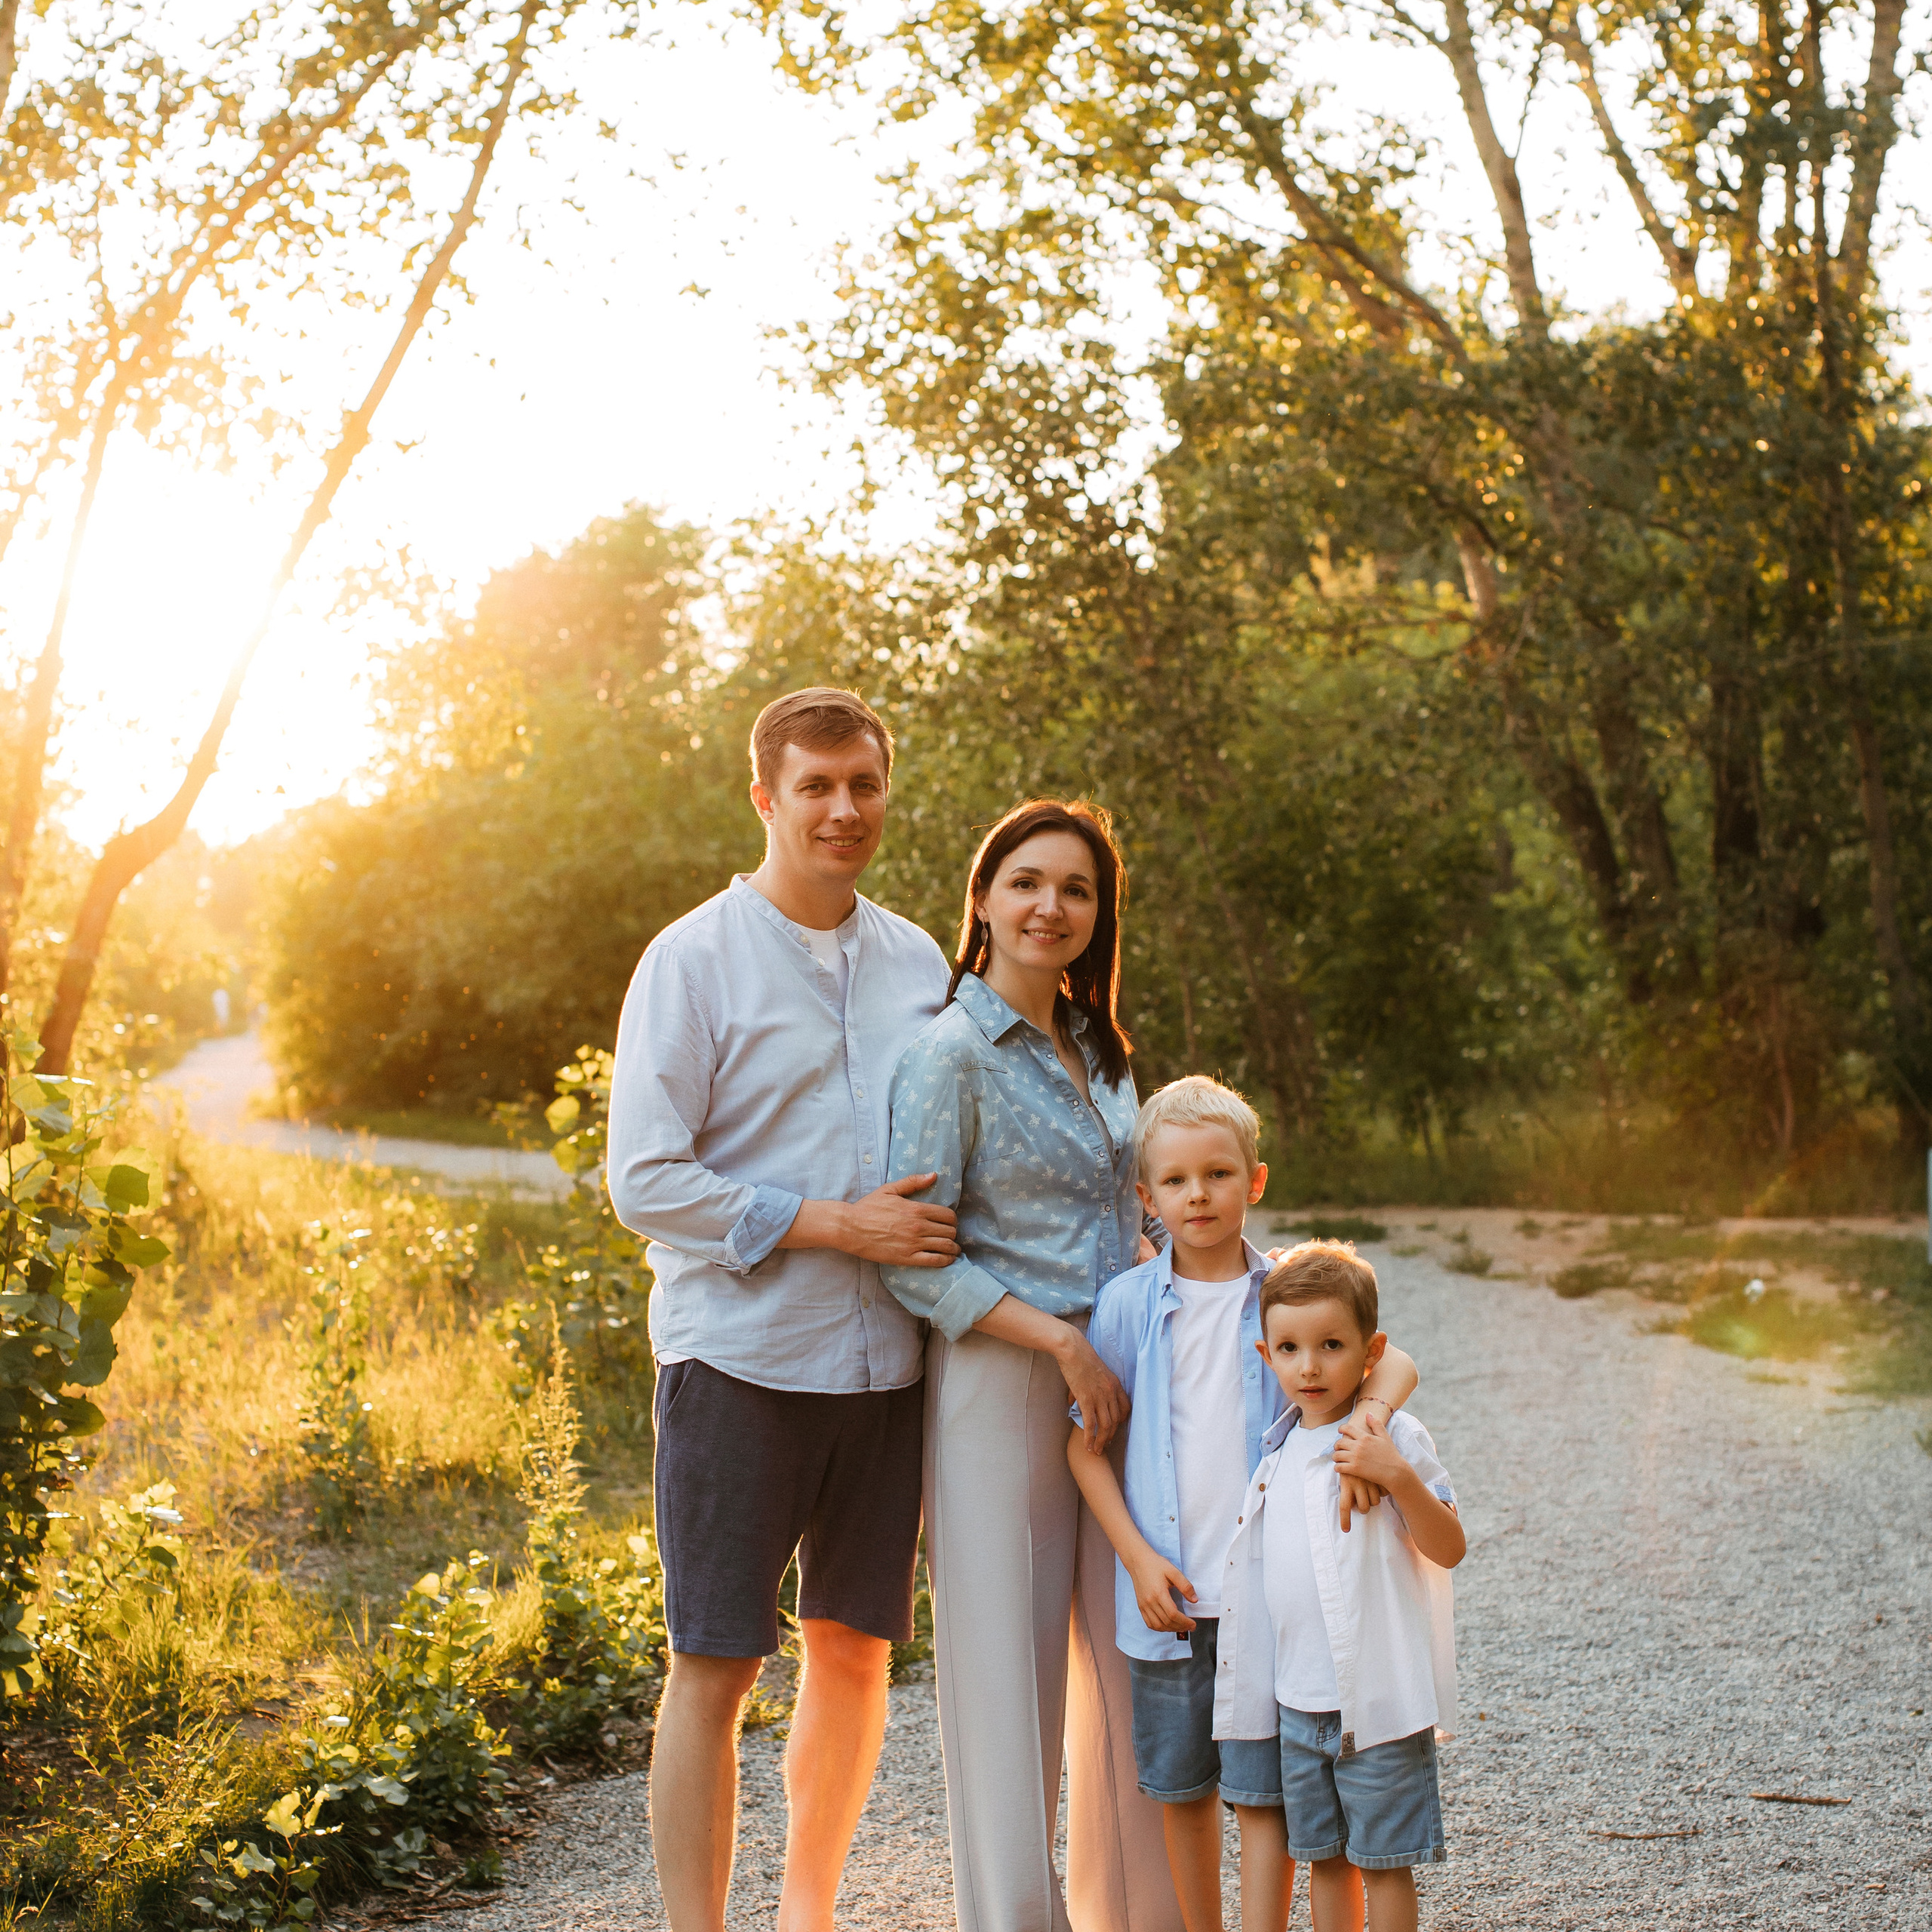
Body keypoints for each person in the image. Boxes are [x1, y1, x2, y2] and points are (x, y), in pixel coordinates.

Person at [606, 687, 961, 1932]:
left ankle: (809, 1915)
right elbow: (642, 1180)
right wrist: (832, 1222)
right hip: (742, 1360)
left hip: (886, 1373)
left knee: (856, 1650)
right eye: (815, 786)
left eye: (862, 784)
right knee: (715, 1666)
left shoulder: (922, 961)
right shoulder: (692, 958)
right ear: (766, 798)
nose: (842, 808)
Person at [1068, 1078, 1420, 1932]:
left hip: (1272, 1601)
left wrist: (1370, 1414)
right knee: (1184, 1788)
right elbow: (1084, 1446)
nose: (1199, 1195)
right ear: (1146, 1198)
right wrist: (1136, 1558)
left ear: (1253, 1182)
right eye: (1178, 1181)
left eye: (1219, 1174)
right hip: (1168, 1602)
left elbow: (1393, 1357)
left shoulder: (1286, 1291)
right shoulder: (1126, 1306)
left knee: (1261, 1796)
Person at [1214, 1243, 1466, 1932]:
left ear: (1370, 1350)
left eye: (1331, 1345)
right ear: (1267, 1357)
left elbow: (1449, 1546)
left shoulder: (1395, 1437)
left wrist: (1397, 1475)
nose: (1311, 1366)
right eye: (1290, 1348)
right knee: (1326, 1858)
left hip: (1380, 1704)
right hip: (1299, 1705)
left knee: (1385, 1863)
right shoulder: (1277, 1455)